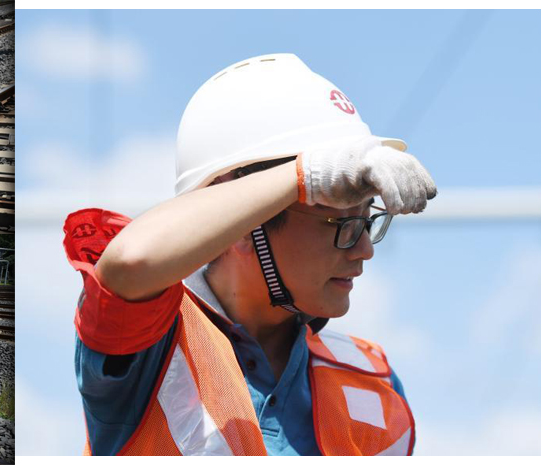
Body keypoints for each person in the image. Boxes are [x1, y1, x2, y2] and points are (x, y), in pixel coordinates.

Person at [63, 53, 438, 456]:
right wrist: (303, 177)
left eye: (366, 222)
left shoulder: (374, 383)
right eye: (341, 224)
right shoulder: (153, 348)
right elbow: (130, 260)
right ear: (245, 227)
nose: (364, 249)